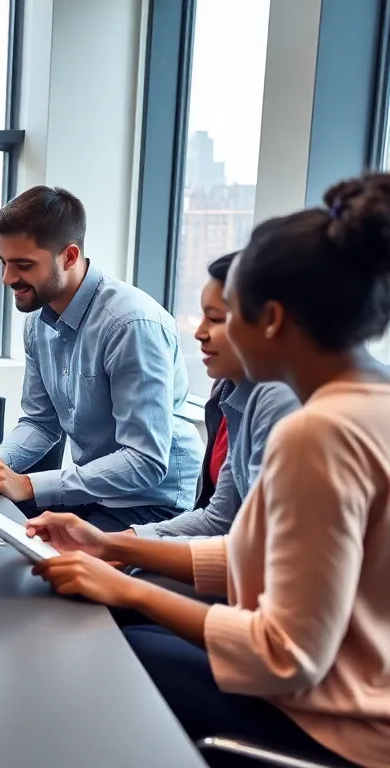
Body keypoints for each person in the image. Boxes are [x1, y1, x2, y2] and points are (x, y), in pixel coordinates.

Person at [26, 174, 390, 767]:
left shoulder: (317, 431)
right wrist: (112, 544)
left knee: (91, 652)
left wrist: (131, 587)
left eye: (225, 313)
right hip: (352, 695)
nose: (199, 330)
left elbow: (285, 655)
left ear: (269, 318)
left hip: (340, 725)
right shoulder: (369, 400)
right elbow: (262, 551)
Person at [0, 186, 203, 532]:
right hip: (88, 492)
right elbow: (41, 424)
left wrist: (28, 485)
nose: (8, 279)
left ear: (69, 257)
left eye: (23, 265)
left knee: (42, 574)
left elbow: (145, 461)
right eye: (4, 263)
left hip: (149, 506)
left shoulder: (131, 325)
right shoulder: (37, 324)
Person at [127, 252, 297, 539]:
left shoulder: (281, 402)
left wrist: (123, 549)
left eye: (215, 319)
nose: (199, 333)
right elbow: (220, 519)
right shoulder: (228, 391)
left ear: (269, 321)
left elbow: (258, 548)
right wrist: (123, 542)